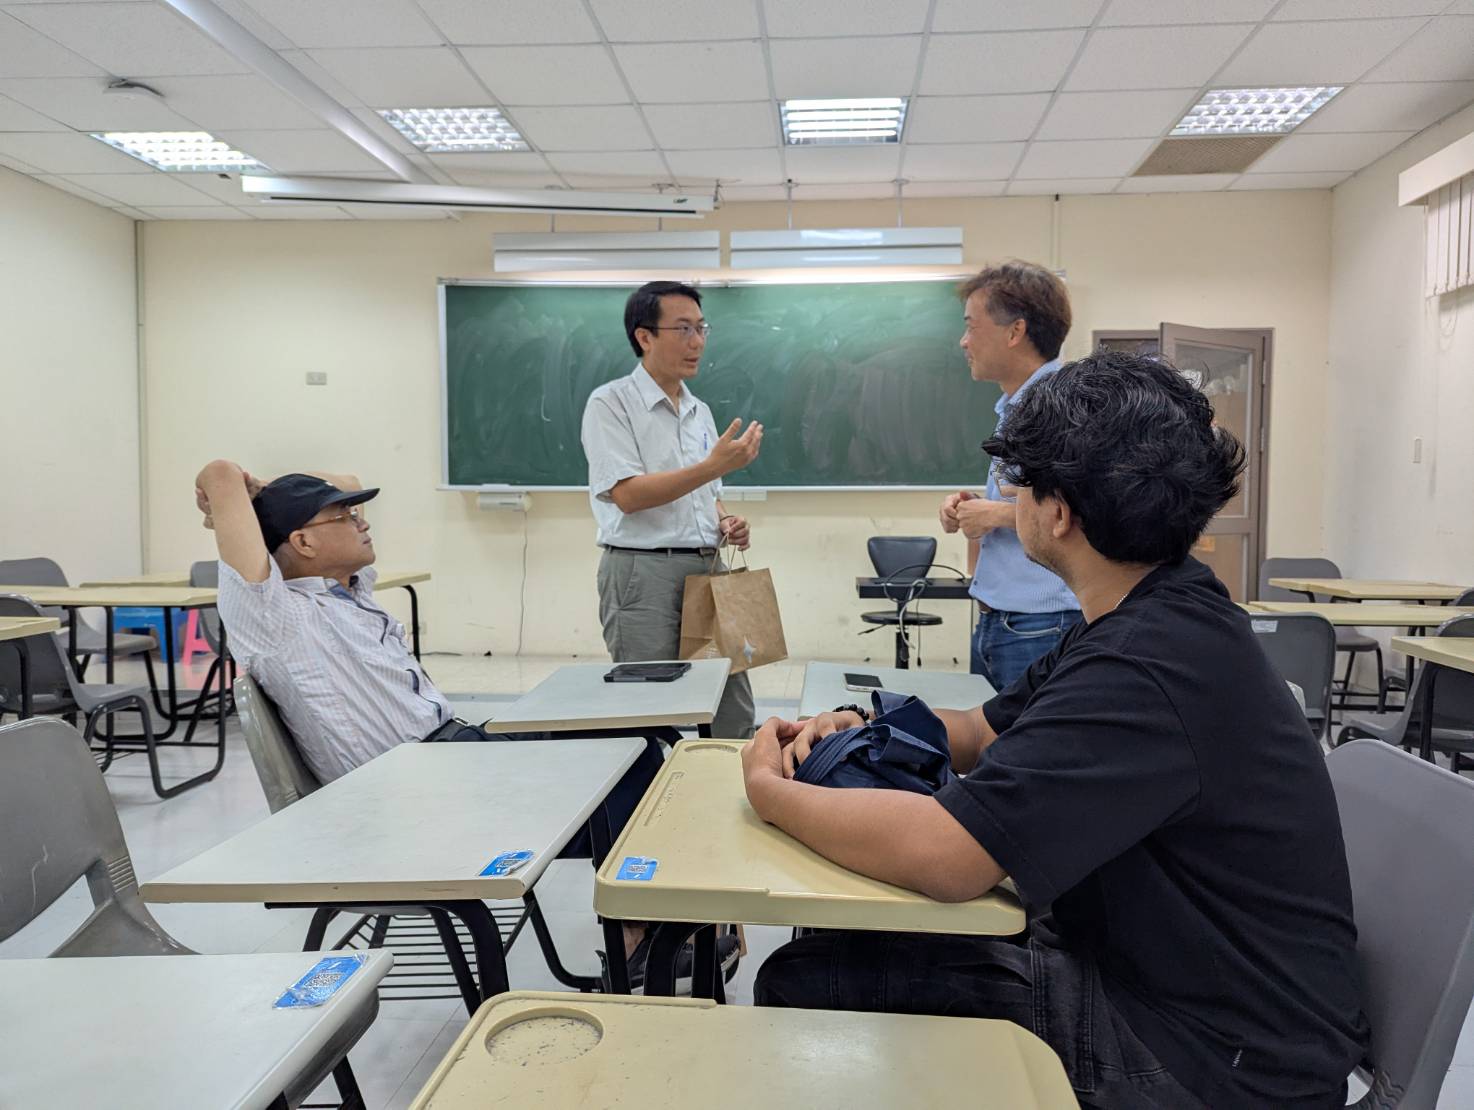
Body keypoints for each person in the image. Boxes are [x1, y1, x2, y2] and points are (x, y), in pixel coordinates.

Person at [742, 351, 1369, 1109]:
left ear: (1059, 513)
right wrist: (863, 721)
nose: (1013, 498)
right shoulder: (1157, 611)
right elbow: (977, 729)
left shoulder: (1144, 669)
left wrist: (769, 792)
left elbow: (949, 858)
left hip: (1207, 1059)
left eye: (1022, 484)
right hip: (1179, 989)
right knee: (845, 940)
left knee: (806, 979)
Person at [580, 280, 762, 739]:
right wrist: (710, 467)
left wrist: (726, 521)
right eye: (683, 329)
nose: (697, 341)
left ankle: (727, 799)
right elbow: (628, 494)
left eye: (702, 328)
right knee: (647, 708)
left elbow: (707, 490)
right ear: (645, 336)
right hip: (643, 572)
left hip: (708, 568)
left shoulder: (699, 410)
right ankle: (652, 804)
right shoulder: (611, 402)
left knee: (731, 701)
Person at [939, 261, 1082, 690]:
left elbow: (1081, 505)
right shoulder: (1016, 407)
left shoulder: (1061, 405)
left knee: (1027, 753)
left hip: (1039, 622)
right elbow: (1032, 493)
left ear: (1014, 332)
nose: (964, 342)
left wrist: (996, 516)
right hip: (1003, 617)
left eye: (971, 327)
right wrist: (973, 510)